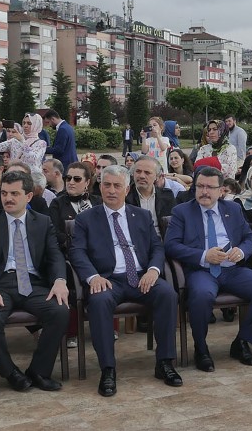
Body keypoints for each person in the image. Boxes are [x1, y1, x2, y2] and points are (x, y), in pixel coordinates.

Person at [69, 165, 182, 394]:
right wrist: (93, 277)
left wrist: (153, 270)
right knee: (99, 302)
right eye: (107, 185)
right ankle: (108, 369)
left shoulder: (141, 215)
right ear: (99, 187)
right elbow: (77, 252)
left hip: (142, 277)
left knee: (168, 294)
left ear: (126, 188)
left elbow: (156, 247)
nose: (111, 190)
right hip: (108, 279)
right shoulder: (86, 219)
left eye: (117, 185)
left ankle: (165, 363)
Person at [164, 167, 252, 372]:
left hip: (232, 269)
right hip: (201, 270)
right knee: (202, 295)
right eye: (200, 186)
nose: (204, 192)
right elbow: (171, 245)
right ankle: (201, 348)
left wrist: (241, 251)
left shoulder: (232, 209)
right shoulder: (182, 212)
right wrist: (204, 256)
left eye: (210, 187)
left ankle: (241, 342)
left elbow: (250, 238)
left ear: (221, 190)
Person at [0, 171, 70, 392]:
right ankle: (10, 372)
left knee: (60, 311)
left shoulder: (43, 222)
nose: (8, 198)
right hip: (0, 284)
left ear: (28, 196)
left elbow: (55, 255)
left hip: (33, 283)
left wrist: (60, 281)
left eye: (15, 193)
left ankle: (39, 371)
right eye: (5, 193)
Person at [125, 156, 176, 223]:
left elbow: (172, 223)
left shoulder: (167, 195)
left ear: (157, 177)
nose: (141, 176)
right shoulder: (125, 196)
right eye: (138, 171)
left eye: (147, 173)